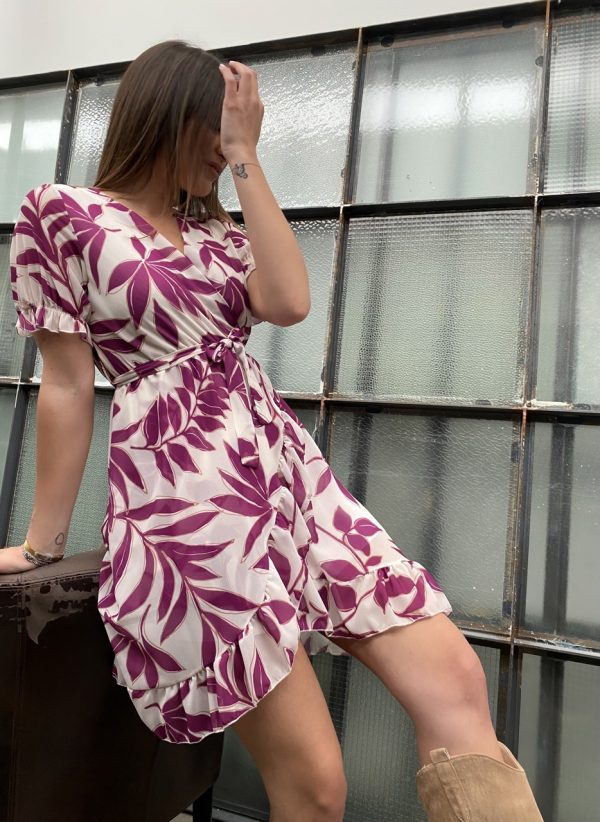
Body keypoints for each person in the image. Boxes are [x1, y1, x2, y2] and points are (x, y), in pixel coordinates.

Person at [2, 40, 543, 821]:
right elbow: (66, 382)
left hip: (289, 478)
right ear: (168, 116)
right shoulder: (62, 213)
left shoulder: (219, 230)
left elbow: (289, 301)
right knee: (317, 787)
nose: (223, 156)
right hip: (188, 503)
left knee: (454, 678)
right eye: (215, 136)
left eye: (235, 140)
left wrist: (246, 156)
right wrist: (41, 544)